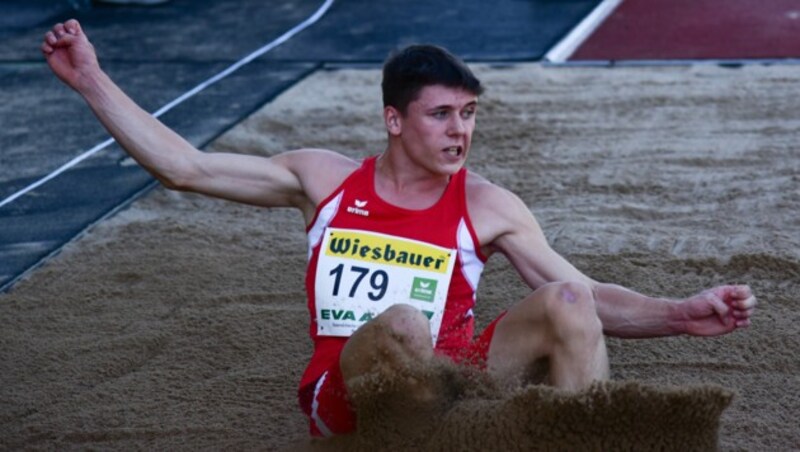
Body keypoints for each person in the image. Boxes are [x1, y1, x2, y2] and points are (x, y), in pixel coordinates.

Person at [42, 19, 756, 437]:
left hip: (461, 384)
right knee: (406, 323)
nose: (460, 131)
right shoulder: (322, 180)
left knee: (566, 303)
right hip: (350, 392)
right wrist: (90, 79)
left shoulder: (489, 204)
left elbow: (585, 296)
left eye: (469, 114)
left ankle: (572, 437)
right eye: (442, 114)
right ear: (394, 119)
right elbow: (187, 169)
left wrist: (678, 315)